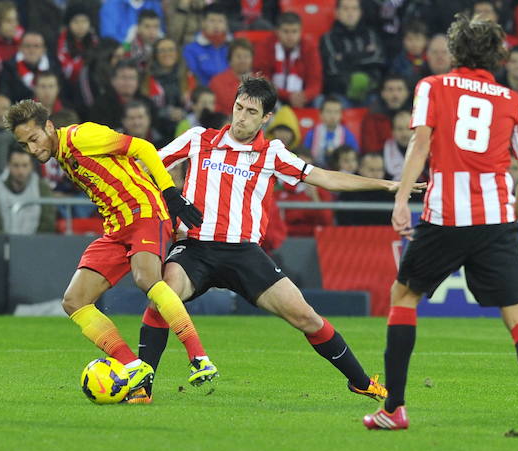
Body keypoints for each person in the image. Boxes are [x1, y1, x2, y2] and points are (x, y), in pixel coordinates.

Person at [364, 14, 518, 434]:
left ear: (455, 50)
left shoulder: (433, 87)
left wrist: (402, 200)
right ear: (498, 53)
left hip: (444, 217)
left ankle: (395, 409)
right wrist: (510, 217)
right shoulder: (512, 101)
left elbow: (420, 144)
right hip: (495, 219)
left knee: (403, 296)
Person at [138, 76, 405, 402]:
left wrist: (385, 186)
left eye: (251, 112)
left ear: (266, 118)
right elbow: (146, 162)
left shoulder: (272, 153)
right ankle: (142, 386)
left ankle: (361, 381)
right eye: (238, 107)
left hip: (245, 254)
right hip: (195, 247)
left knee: (306, 317)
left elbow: (323, 178)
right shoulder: (198, 139)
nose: (242, 117)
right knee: (162, 298)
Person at [4, 99, 219, 403]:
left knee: (146, 279)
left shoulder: (82, 137)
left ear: (49, 127)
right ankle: (133, 367)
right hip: (116, 227)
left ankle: (198, 357)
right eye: (24, 144)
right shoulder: (63, 155)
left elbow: (142, 148)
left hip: (144, 212)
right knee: (74, 301)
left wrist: (170, 193)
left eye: (34, 139)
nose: (32, 149)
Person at [320, 0, 385, 104]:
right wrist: (363, 57)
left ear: (360, 12)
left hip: (370, 92)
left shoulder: (371, 35)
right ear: (337, 13)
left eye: (354, 9)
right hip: (340, 93)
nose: (350, 13)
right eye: (345, 9)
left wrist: (345, 58)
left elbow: (378, 61)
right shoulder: (328, 38)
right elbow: (333, 68)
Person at [254, 11, 322, 108]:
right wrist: (287, 95)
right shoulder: (265, 46)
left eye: (294, 31)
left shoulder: (309, 48)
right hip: (274, 95)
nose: (290, 37)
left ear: (301, 31)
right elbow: (262, 78)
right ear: (277, 31)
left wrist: (304, 96)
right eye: (286, 31)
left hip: (302, 98)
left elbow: (315, 81)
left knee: (320, 101)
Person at [0, 149, 57, 234]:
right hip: (4, 245)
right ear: (8, 166)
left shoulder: (42, 188)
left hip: (36, 244)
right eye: (16, 165)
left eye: (25, 165)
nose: (20, 171)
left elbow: (47, 224)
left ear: (31, 166)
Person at [0, 31, 60, 103]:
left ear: (44, 50)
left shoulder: (55, 67)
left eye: (36, 46)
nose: (32, 50)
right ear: (20, 48)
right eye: (27, 46)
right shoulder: (8, 68)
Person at [303, 97, 359, 167]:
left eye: (336, 112)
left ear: (341, 115)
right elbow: (305, 156)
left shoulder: (347, 135)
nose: (333, 116)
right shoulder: (312, 133)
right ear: (320, 114)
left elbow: (354, 157)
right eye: (328, 112)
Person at [183, 4, 231, 86]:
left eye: (220, 21)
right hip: (205, 93)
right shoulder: (190, 49)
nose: (216, 25)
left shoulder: (232, 47)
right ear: (203, 23)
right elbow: (194, 78)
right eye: (212, 20)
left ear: (226, 24)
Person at [209, 38, 254, 114]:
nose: (242, 60)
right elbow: (229, 105)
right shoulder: (217, 81)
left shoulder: (260, 81)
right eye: (238, 56)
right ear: (230, 60)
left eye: (246, 56)